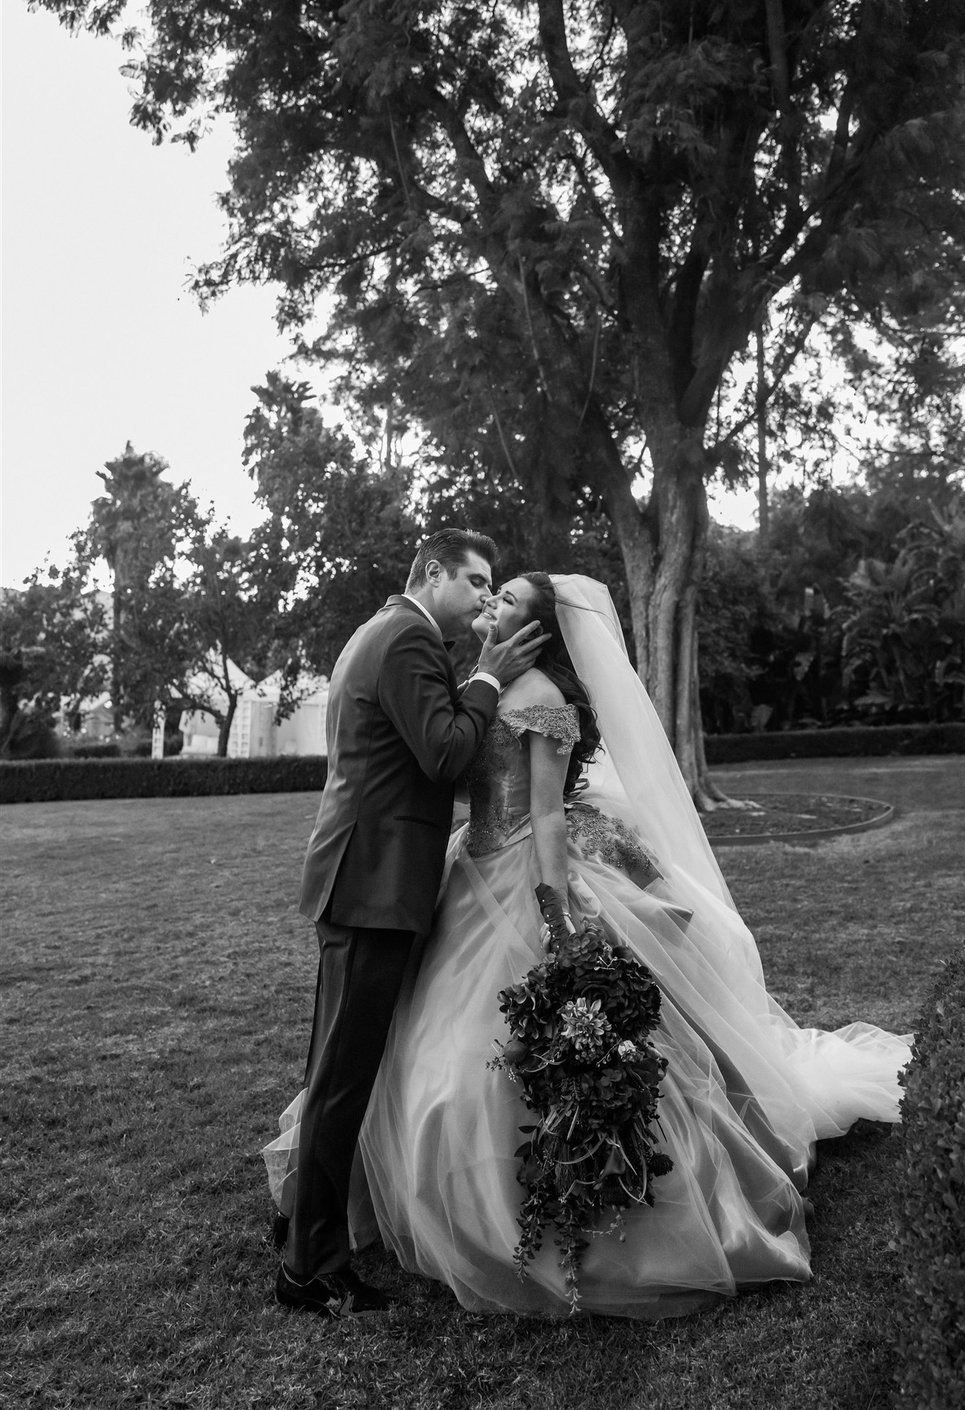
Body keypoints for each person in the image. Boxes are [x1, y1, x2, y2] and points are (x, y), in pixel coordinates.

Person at [265, 572, 911, 1319]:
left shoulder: (540, 696)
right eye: (486, 589)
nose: (489, 604)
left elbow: (544, 819)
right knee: (418, 1050)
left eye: (504, 598)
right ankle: (362, 1202)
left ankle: (567, 1209)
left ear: (539, 631)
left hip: (519, 878)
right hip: (463, 869)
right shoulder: (480, 680)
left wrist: (552, 914)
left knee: (490, 1057)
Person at [271, 530, 547, 1318]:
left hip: (366, 879)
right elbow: (447, 756)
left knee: (337, 1070)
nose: (488, 598)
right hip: (374, 886)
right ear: (433, 573)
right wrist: (491, 674)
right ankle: (309, 1271)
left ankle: (297, 1220)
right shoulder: (407, 641)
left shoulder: (388, 632)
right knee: (342, 1078)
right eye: (478, 581)